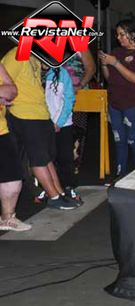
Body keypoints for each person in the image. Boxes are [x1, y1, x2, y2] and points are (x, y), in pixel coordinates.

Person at [1, 50, 77, 209]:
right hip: (25, 114)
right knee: (38, 159)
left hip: (41, 113)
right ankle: (53, 196)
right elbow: (4, 85)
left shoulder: (34, 57)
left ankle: (59, 193)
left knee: (47, 158)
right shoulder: (15, 56)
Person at [99, 19, 135, 179]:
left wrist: (115, 63)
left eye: (122, 34)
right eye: (117, 35)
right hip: (115, 103)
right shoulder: (116, 51)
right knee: (118, 139)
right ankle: (121, 174)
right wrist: (105, 64)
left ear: (132, 34)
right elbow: (109, 78)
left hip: (132, 103)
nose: (119, 38)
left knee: (133, 139)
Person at [43, 64, 81, 207]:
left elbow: (69, 99)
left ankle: (68, 187)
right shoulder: (37, 73)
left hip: (63, 124)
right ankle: (50, 189)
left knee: (65, 158)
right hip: (43, 123)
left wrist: (58, 121)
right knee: (48, 158)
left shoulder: (62, 73)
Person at [0, 63, 30, 231]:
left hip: (2, 131)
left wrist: (5, 92)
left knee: (13, 180)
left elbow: (12, 90)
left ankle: (7, 218)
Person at [61, 51, 95, 180]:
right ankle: (60, 165)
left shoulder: (80, 45)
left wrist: (80, 85)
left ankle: (74, 165)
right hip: (56, 95)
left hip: (78, 95)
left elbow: (91, 68)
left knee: (77, 131)